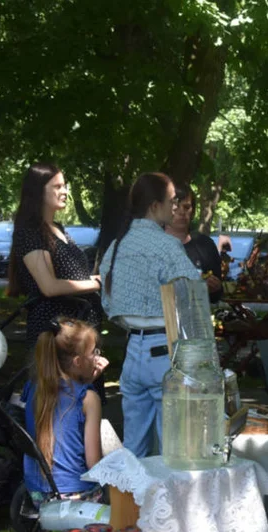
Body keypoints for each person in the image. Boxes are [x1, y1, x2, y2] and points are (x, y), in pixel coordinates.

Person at [98, 172, 202, 457]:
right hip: (164, 350)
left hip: (133, 351)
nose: (175, 207)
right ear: (155, 205)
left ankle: (132, 502)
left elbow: (106, 296)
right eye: (171, 201)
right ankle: (167, 502)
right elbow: (193, 297)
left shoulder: (119, 244)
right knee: (172, 447)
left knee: (134, 448)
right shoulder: (167, 246)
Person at [7, 163, 103, 350]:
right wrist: (98, 283)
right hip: (56, 333)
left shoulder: (58, 229)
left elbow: (72, 278)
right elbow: (49, 287)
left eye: (65, 186)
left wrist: (98, 279)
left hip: (81, 330)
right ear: (38, 191)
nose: (65, 191)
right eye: (57, 187)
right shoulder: (30, 232)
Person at [22, 318, 108, 506]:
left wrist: (86, 383)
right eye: (94, 352)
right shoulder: (89, 399)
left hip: (37, 494)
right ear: (78, 362)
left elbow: (64, 396)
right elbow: (94, 464)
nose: (98, 357)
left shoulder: (32, 388)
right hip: (77, 496)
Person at [166, 184, 224, 302]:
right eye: (176, 206)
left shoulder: (206, 245)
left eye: (187, 207)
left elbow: (217, 297)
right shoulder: (151, 244)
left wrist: (215, 288)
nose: (182, 212)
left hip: (196, 317)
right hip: (159, 317)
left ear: (193, 211)